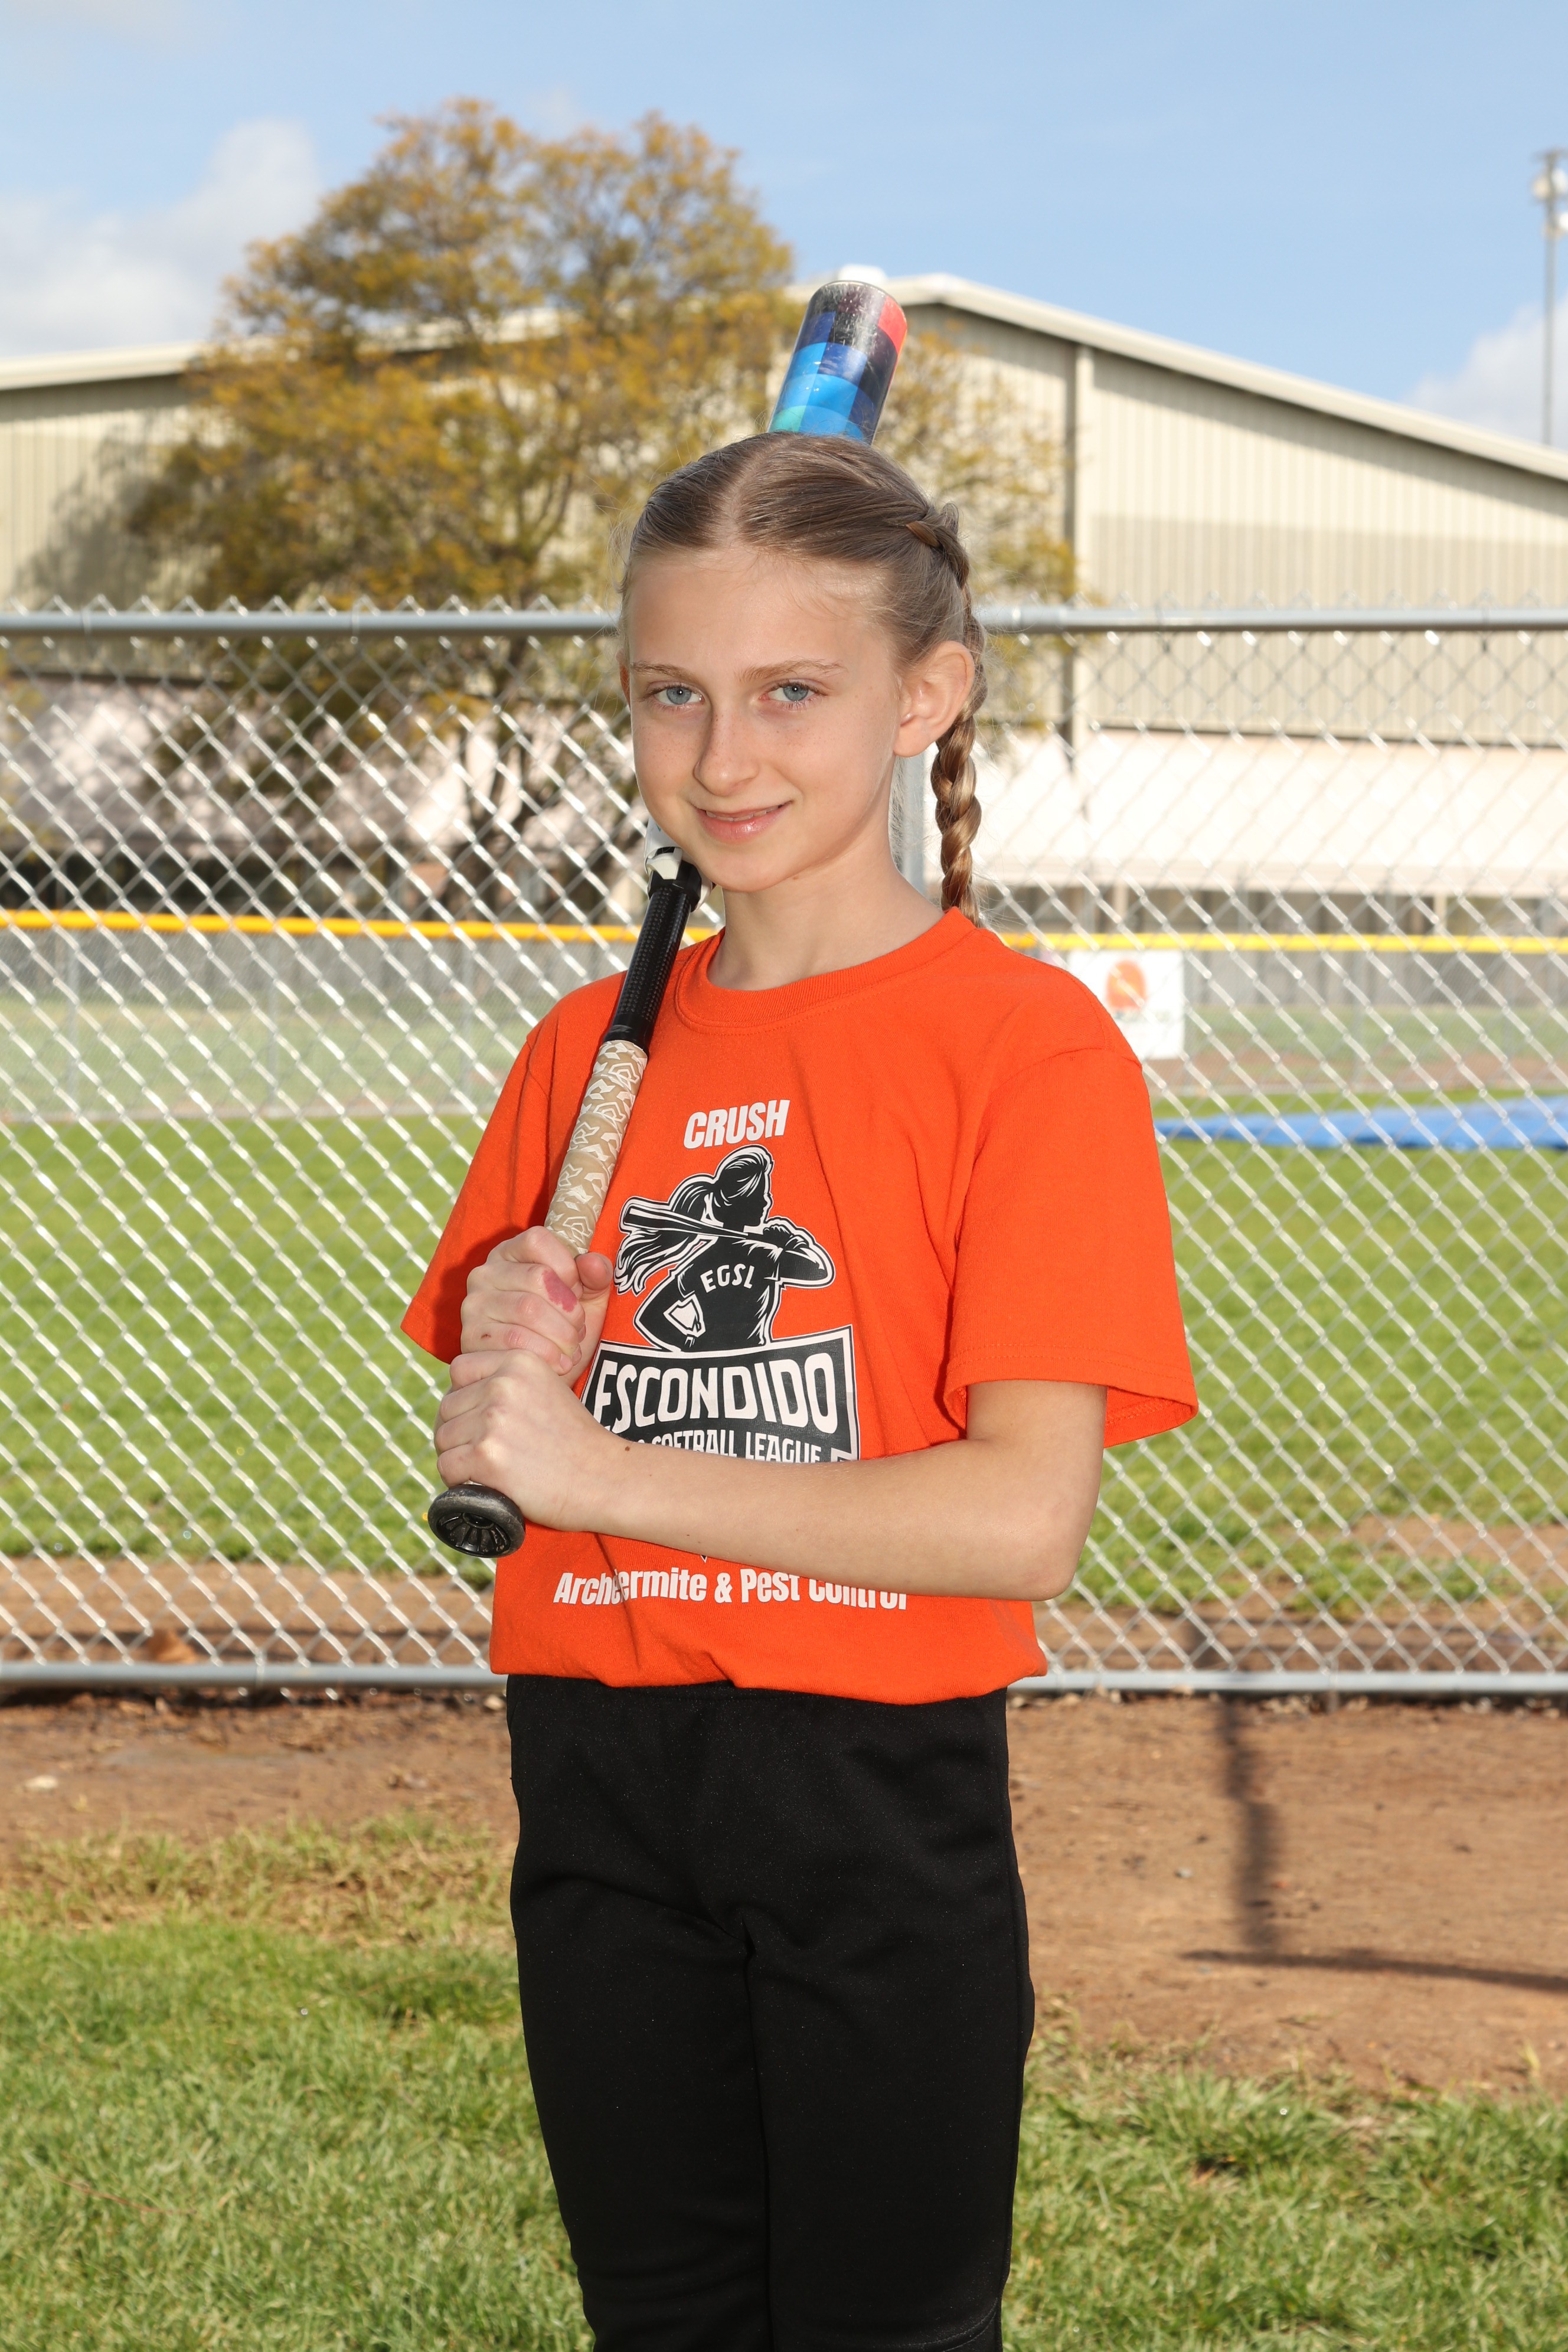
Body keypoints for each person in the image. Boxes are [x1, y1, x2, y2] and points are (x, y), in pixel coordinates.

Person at [402, 433, 1197, 2352]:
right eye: (669, 694)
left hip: (867, 1795)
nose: (720, 758)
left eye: (790, 693)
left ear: (926, 696)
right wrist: (519, 1350)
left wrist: (601, 1469)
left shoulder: (1024, 1050)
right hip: (598, 1775)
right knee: (662, 2320)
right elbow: (518, 1424)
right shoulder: (582, 1052)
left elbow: (1022, 1516)